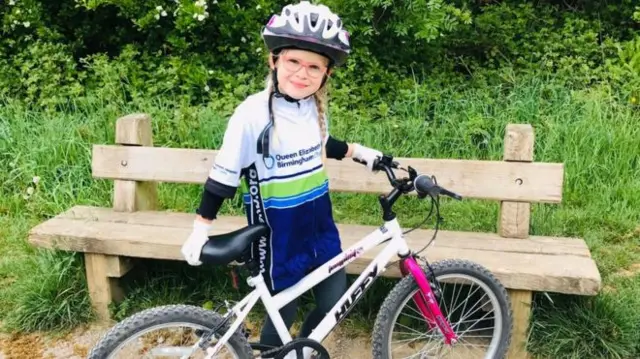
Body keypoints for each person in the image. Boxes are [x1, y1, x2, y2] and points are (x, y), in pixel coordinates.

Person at [180, 1, 382, 354]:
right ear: (274, 60)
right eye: (293, 62)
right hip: (277, 232)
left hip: (319, 225)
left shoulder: (312, 109)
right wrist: (200, 229)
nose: (302, 74)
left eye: (314, 67)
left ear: (326, 74)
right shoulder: (251, 114)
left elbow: (323, 144)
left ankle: (301, 351)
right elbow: (222, 178)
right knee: (282, 311)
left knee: (334, 299)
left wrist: (360, 152)